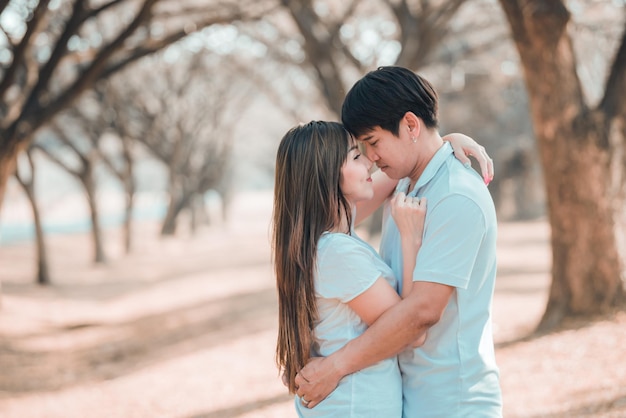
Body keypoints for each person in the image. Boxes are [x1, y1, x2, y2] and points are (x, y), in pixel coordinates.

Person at [295, 66, 502, 417]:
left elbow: (421, 312)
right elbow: (328, 212)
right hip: (413, 397)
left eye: (373, 143)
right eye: (361, 148)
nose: (370, 157)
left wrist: (335, 367)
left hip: (451, 401)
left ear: (410, 125)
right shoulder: (406, 183)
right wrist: (446, 141)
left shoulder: (455, 197)